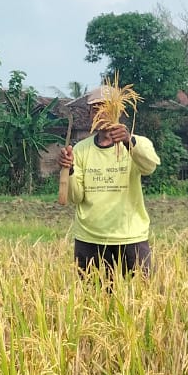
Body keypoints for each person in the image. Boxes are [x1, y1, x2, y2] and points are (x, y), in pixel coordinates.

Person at [57, 85, 161, 277]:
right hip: (90, 239)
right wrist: (69, 169)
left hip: (130, 238)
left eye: (106, 108)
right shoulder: (80, 149)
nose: (100, 113)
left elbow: (149, 167)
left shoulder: (138, 143)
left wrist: (129, 141)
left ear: (119, 111)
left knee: (141, 297)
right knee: (92, 300)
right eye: (95, 109)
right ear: (89, 114)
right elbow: (76, 197)